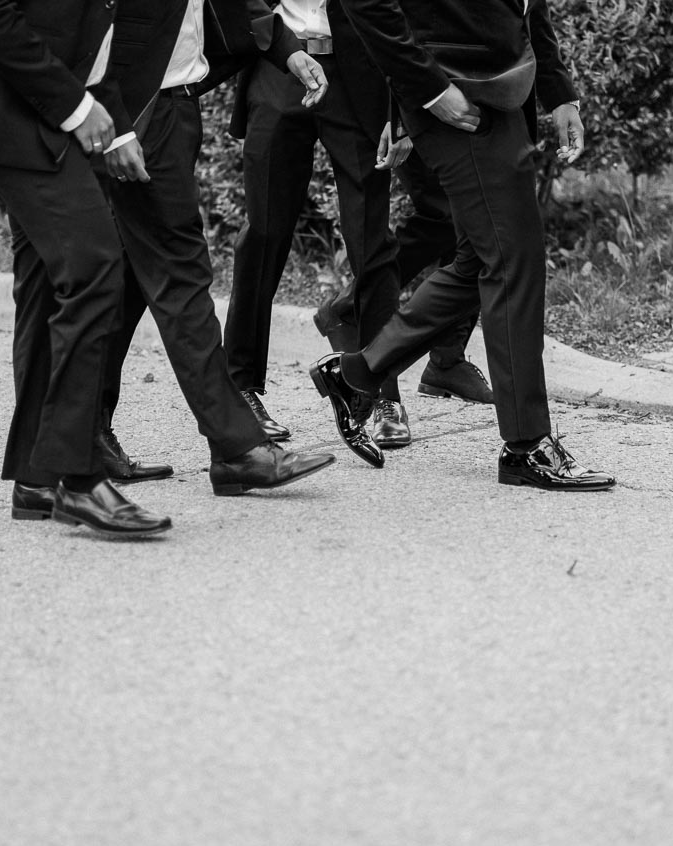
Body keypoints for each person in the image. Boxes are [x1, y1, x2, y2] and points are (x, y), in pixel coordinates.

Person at [310, 0, 617, 490]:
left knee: (480, 261)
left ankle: (357, 375)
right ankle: (527, 445)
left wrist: (559, 92)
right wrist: (428, 93)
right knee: (513, 262)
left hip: (502, 85)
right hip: (454, 95)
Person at [0, 0, 172, 537]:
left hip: (42, 111)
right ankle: (77, 476)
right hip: (8, 110)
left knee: (49, 283)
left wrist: (109, 124)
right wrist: (75, 106)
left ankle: (37, 474)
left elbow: (85, 28)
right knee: (95, 266)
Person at [93, 0, 338, 496]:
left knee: (131, 280)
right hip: (140, 111)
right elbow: (91, 23)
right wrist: (117, 124)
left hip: (174, 106)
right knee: (180, 274)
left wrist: (288, 52)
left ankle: (79, 435)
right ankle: (237, 449)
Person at [220, 0, 403, 462]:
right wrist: (280, 47)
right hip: (280, 66)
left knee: (370, 238)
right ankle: (240, 387)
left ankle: (383, 393)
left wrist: (398, 106)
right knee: (263, 233)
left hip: (356, 76)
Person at [312, 140, 495, 409]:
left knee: (466, 219)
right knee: (451, 215)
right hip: (417, 110)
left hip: (466, 115)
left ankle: (447, 359)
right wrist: (399, 123)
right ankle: (352, 306)